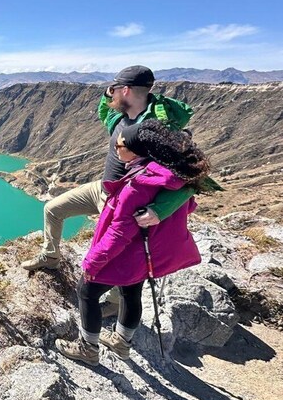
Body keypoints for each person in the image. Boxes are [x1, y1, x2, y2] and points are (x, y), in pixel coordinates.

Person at [54, 119, 213, 365]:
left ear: (136, 150)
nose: (115, 149)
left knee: (85, 291)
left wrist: (93, 262)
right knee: (131, 293)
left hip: (125, 256)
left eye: (119, 145)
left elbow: (119, 232)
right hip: (143, 257)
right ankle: (122, 342)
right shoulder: (168, 178)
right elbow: (189, 205)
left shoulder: (137, 185)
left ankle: (88, 349)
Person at [21, 65, 196, 272]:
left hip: (125, 201)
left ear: (126, 90)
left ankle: (113, 304)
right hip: (103, 189)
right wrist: (106, 95)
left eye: (113, 87)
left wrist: (160, 209)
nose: (109, 92)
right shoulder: (121, 118)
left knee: (117, 255)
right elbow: (104, 112)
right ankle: (50, 257)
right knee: (52, 209)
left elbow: (190, 176)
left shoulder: (157, 130)